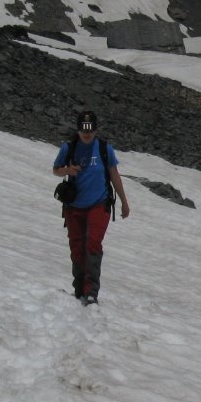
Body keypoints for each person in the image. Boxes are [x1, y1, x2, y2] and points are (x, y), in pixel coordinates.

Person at [52, 111, 130, 304]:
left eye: (90, 130)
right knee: (77, 246)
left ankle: (91, 292)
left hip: (99, 204)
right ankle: (79, 289)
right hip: (74, 206)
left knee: (93, 243)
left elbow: (114, 175)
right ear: (78, 129)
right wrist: (67, 170)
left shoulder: (104, 149)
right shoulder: (68, 148)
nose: (87, 134)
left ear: (95, 130)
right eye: (83, 130)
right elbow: (56, 169)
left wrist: (124, 201)